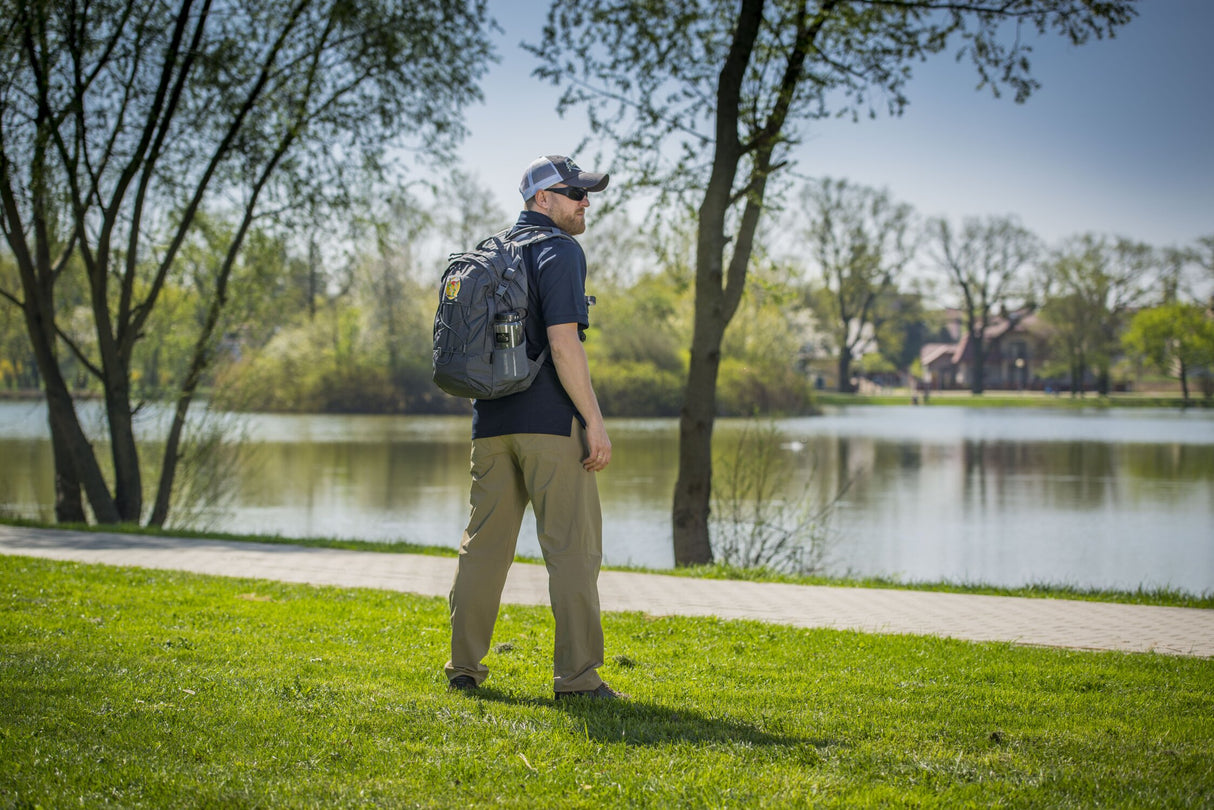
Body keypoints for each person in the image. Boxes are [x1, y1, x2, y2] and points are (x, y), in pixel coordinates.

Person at [444, 155, 626, 701]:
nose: (584, 202)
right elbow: (565, 345)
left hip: (490, 422)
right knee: (573, 551)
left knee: (483, 548)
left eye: (586, 193)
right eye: (575, 192)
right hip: (550, 425)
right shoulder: (560, 250)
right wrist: (594, 422)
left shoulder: (493, 252)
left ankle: (464, 670)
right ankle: (577, 680)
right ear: (542, 199)